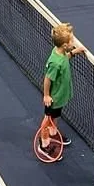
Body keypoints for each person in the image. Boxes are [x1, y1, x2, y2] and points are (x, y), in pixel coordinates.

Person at [40, 23, 85, 152]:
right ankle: (44, 143)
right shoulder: (55, 62)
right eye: (72, 41)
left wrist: (75, 52)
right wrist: (47, 95)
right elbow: (47, 79)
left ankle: (53, 134)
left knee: (55, 117)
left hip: (61, 96)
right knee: (47, 120)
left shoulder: (60, 52)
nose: (74, 42)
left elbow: (65, 58)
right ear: (65, 45)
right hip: (54, 98)